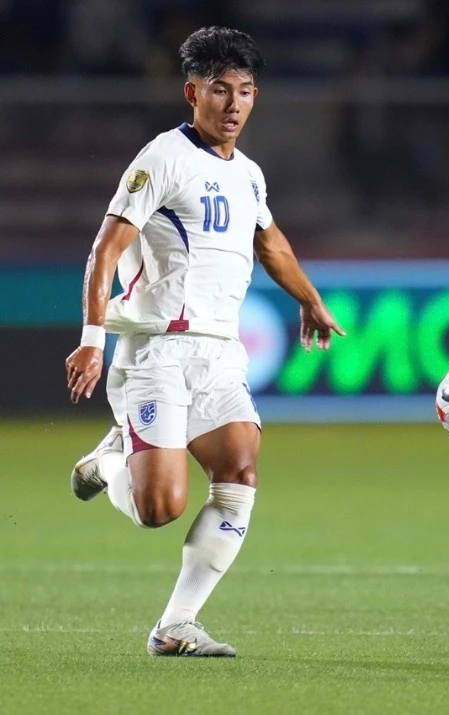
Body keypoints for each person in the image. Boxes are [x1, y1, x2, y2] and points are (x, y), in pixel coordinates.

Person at [64, 26, 344, 657]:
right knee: (159, 508)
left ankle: (175, 625)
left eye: (245, 90)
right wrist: (91, 339)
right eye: (220, 89)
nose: (234, 103)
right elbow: (106, 248)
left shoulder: (248, 174)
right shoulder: (163, 157)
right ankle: (108, 462)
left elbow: (271, 244)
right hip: (156, 351)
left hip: (219, 353)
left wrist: (310, 299)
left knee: (240, 469)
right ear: (193, 93)